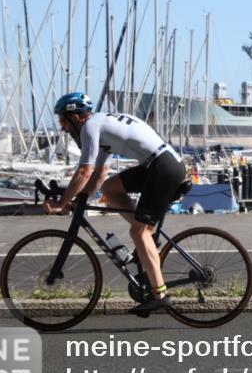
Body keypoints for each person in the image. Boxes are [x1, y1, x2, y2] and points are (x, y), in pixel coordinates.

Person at [44, 92, 187, 316]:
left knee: (138, 232)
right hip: (159, 164)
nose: (64, 128)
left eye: (63, 121)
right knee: (110, 188)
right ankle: (146, 232)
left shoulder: (90, 127)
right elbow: (99, 174)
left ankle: (160, 295)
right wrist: (81, 199)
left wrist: (62, 202)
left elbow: (84, 171)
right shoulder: (100, 126)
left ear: (75, 117)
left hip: (163, 167)